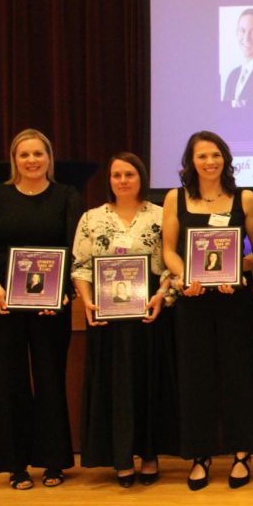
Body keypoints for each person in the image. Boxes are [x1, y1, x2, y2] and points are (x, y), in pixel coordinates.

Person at [0, 129, 82, 489]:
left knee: (50, 378)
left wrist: (62, 294)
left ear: (50, 157)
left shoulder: (67, 196)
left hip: (51, 307)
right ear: (14, 160)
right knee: (8, 380)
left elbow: (75, 252)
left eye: (38, 153)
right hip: (2, 305)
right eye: (24, 155)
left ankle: (52, 462)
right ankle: (15, 465)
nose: (32, 160)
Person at [162, 131, 253, 490]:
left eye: (216, 155)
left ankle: (241, 452)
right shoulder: (175, 199)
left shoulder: (246, 199)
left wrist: (240, 267)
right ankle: (200, 454)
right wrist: (185, 276)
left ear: (226, 158)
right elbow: (168, 250)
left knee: (240, 373)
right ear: (191, 162)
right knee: (196, 376)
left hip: (234, 298)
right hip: (193, 300)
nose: (210, 162)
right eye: (202, 156)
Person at [72, 152, 177, 488]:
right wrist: (87, 301)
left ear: (141, 177)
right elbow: (81, 266)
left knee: (148, 382)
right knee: (114, 386)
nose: (123, 180)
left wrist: (163, 294)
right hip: (107, 316)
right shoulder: (92, 218)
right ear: (110, 180)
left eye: (129, 174)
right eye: (116, 175)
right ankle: (120, 456)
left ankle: (148, 454)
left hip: (149, 311)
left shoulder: (162, 216)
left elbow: (173, 264)